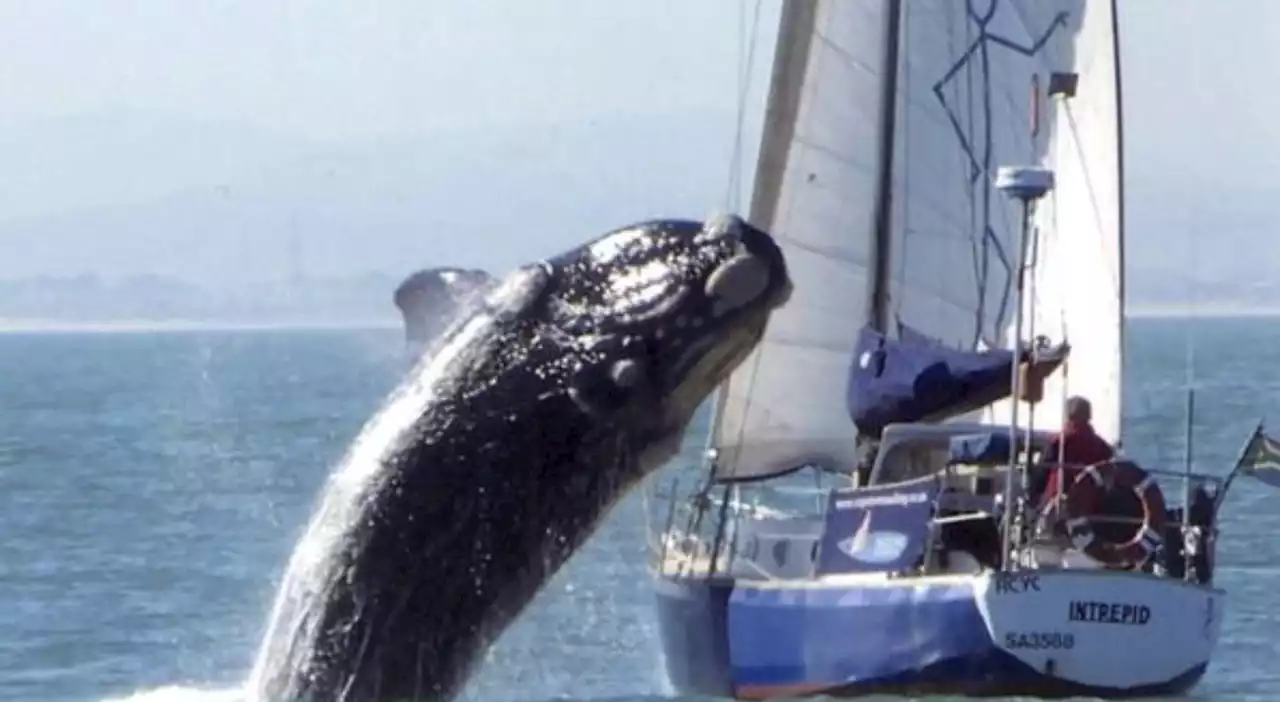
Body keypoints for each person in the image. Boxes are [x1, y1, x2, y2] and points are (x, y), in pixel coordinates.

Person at [1044, 396, 1114, 466]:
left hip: (1063, 476)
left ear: (1067, 416)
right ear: (1089, 416)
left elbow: (1041, 470)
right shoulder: (1101, 445)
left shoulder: (1057, 443)